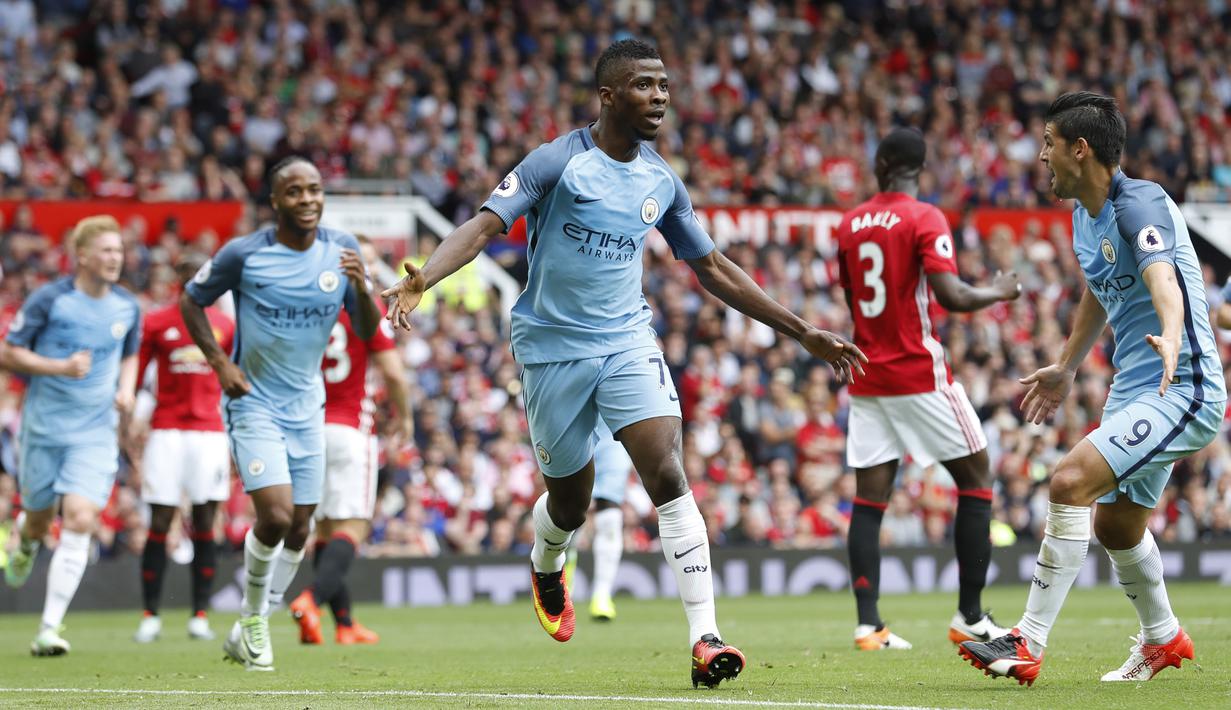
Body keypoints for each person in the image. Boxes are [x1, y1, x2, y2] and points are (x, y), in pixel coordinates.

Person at [382, 38, 866, 689]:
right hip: (550, 349)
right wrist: (424, 278)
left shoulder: (660, 179)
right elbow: (483, 225)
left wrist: (802, 329)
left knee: (666, 469)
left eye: (663, 85)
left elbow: (713, 267)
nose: (660, 96)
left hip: (625, 341)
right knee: (571, 502)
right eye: (643, 85)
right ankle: (547, 564)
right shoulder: (558, 162)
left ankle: (705, 637)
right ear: (608, 96)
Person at [959, 92, 1223, 685]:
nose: (1043, 156)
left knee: (1069, 481)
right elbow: (1098, 287)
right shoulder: (1084, 213)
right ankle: (1162, 639)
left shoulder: (1140, 204)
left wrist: (1175, 336)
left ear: (1080, 149)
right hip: (1136, 387)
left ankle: (1026, 640)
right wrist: (1067, 365)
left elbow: (1164, 282)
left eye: (1049, 143)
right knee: (1115, 526)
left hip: (1182, 385)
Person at [181, 156, 379, 671]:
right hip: (253, 403)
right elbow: (191, 300)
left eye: (314, 189)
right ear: (275, 201)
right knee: (274, 514)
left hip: (307, 406)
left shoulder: (343, 250)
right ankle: (252, 618)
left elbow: (365, 329)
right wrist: (220, 362)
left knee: (300, 527)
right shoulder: (244, 254)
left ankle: (252, 625)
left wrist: (360, 286)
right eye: (295, 192)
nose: (308, 200)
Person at [836, 127, 1021, 651]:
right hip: (918, 371)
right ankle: (970, 615)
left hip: (868, 373)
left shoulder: (850, 223)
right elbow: (952, 295)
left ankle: (868, 625)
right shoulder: (924, 217)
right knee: (977, 478)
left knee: (869, 499)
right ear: (917, 168)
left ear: (883, 163)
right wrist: (1000, 290)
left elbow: (853, 298)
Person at [1, 215, 142, 656]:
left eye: (118, 250)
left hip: (95, 431)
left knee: (81, 517)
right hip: (44, 429)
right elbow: (7, 351)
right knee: (41, 520)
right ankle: (25, 536)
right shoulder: (51, 300)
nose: (114, 258)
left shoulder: (127, 307)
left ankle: (49, 628)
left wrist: (126, 390)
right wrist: (58, 367)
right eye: (105, 250)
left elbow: (130, 354)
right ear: (81, 256)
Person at [288, 235, 412, 646]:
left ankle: (343, 624)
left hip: (308, 429)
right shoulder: (366, 310)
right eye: (369, 264)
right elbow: (393, 373)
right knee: (352, 529)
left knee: (324, 529)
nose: (374, 271)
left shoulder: (308, 310)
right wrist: (405, 417)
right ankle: (310, 600)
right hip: (349, 429)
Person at [133, 252, 235, 643]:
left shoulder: (225, 325)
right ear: (178, 277)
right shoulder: (158, 321)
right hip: (167, 431)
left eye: (202, 273)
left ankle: (199, 616)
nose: (195, 279)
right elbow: (139, 375)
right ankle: (151, 615)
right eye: (188, 273)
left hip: (210, 432)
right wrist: (131, 420)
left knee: (206, 521)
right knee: (160, 520)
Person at [563, 419, 636, 622]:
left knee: (610, 517)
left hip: (613, 433)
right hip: (575, 428)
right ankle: (564, 574)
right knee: (569, 511)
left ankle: (601, 596)